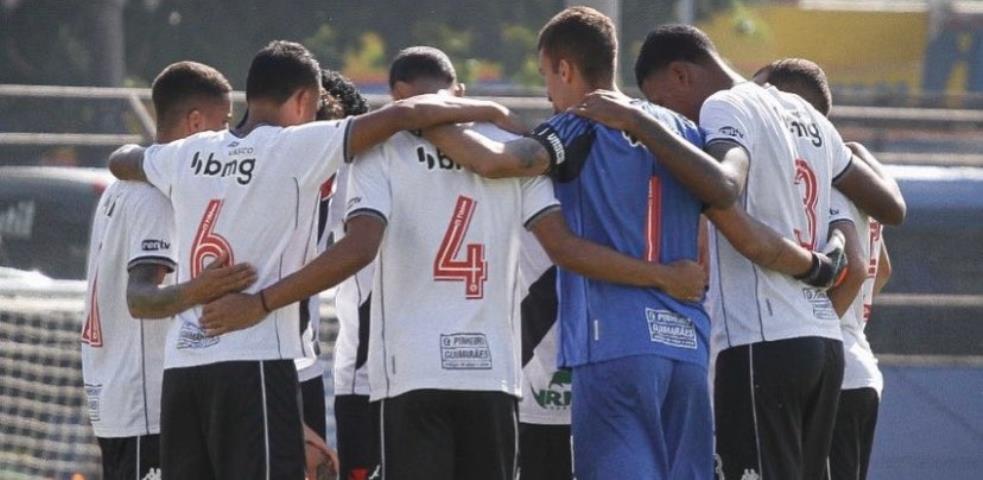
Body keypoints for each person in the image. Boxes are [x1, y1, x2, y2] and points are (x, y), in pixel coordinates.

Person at [197, 44, 707, 480]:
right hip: (491, 377)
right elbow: (564, 248)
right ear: (456, 90)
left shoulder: (383, 152)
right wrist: (664, 277)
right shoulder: (515, 149)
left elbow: (358, 248)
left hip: (410, 375)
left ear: (403, 99)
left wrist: (260, 303)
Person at [106, 40, 523, 480]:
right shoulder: (297, 145)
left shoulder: (187, 153)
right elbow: (406, 114)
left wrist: (149, 158)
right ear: (305, 100)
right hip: (254, 359)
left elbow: (123, 160)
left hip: (184, 368)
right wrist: (492, 113)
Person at [630, 25, 906, 480]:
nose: (668, 119)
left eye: (660, 103)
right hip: (823, 343)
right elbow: (887, 208)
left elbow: (724, 184)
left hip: (761, 340)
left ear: (681, 75)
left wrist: (644, 129)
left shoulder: (724, 106)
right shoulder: (803, 111)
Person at [80, 61, 255, 480]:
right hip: (146, 406)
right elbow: (140, 298)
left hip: (121, 396)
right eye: (223, 123)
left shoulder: (122, 188)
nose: (228, 136)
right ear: (196, 122)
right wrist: (202, 288)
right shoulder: (158, 197)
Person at [755, 58, 893, 480]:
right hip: (859, 367)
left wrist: (814, 330)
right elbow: (881, 269)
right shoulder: (856, 177)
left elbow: (853, 266)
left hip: (834, 372)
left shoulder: (818, 176)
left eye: (762, 97)